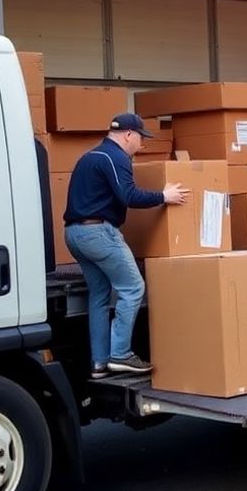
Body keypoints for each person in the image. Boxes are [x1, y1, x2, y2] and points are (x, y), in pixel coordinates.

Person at [64, 113, 188, 378]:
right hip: (99, 233)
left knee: (99, 296)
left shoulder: (89, 157)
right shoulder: (116, 157)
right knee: (133, 288)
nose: (141, 145)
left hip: (74, 234)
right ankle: (120, 354)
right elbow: (128, 196)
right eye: (141, 138)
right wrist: (164, 196)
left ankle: (99, 363)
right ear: (129, 134)